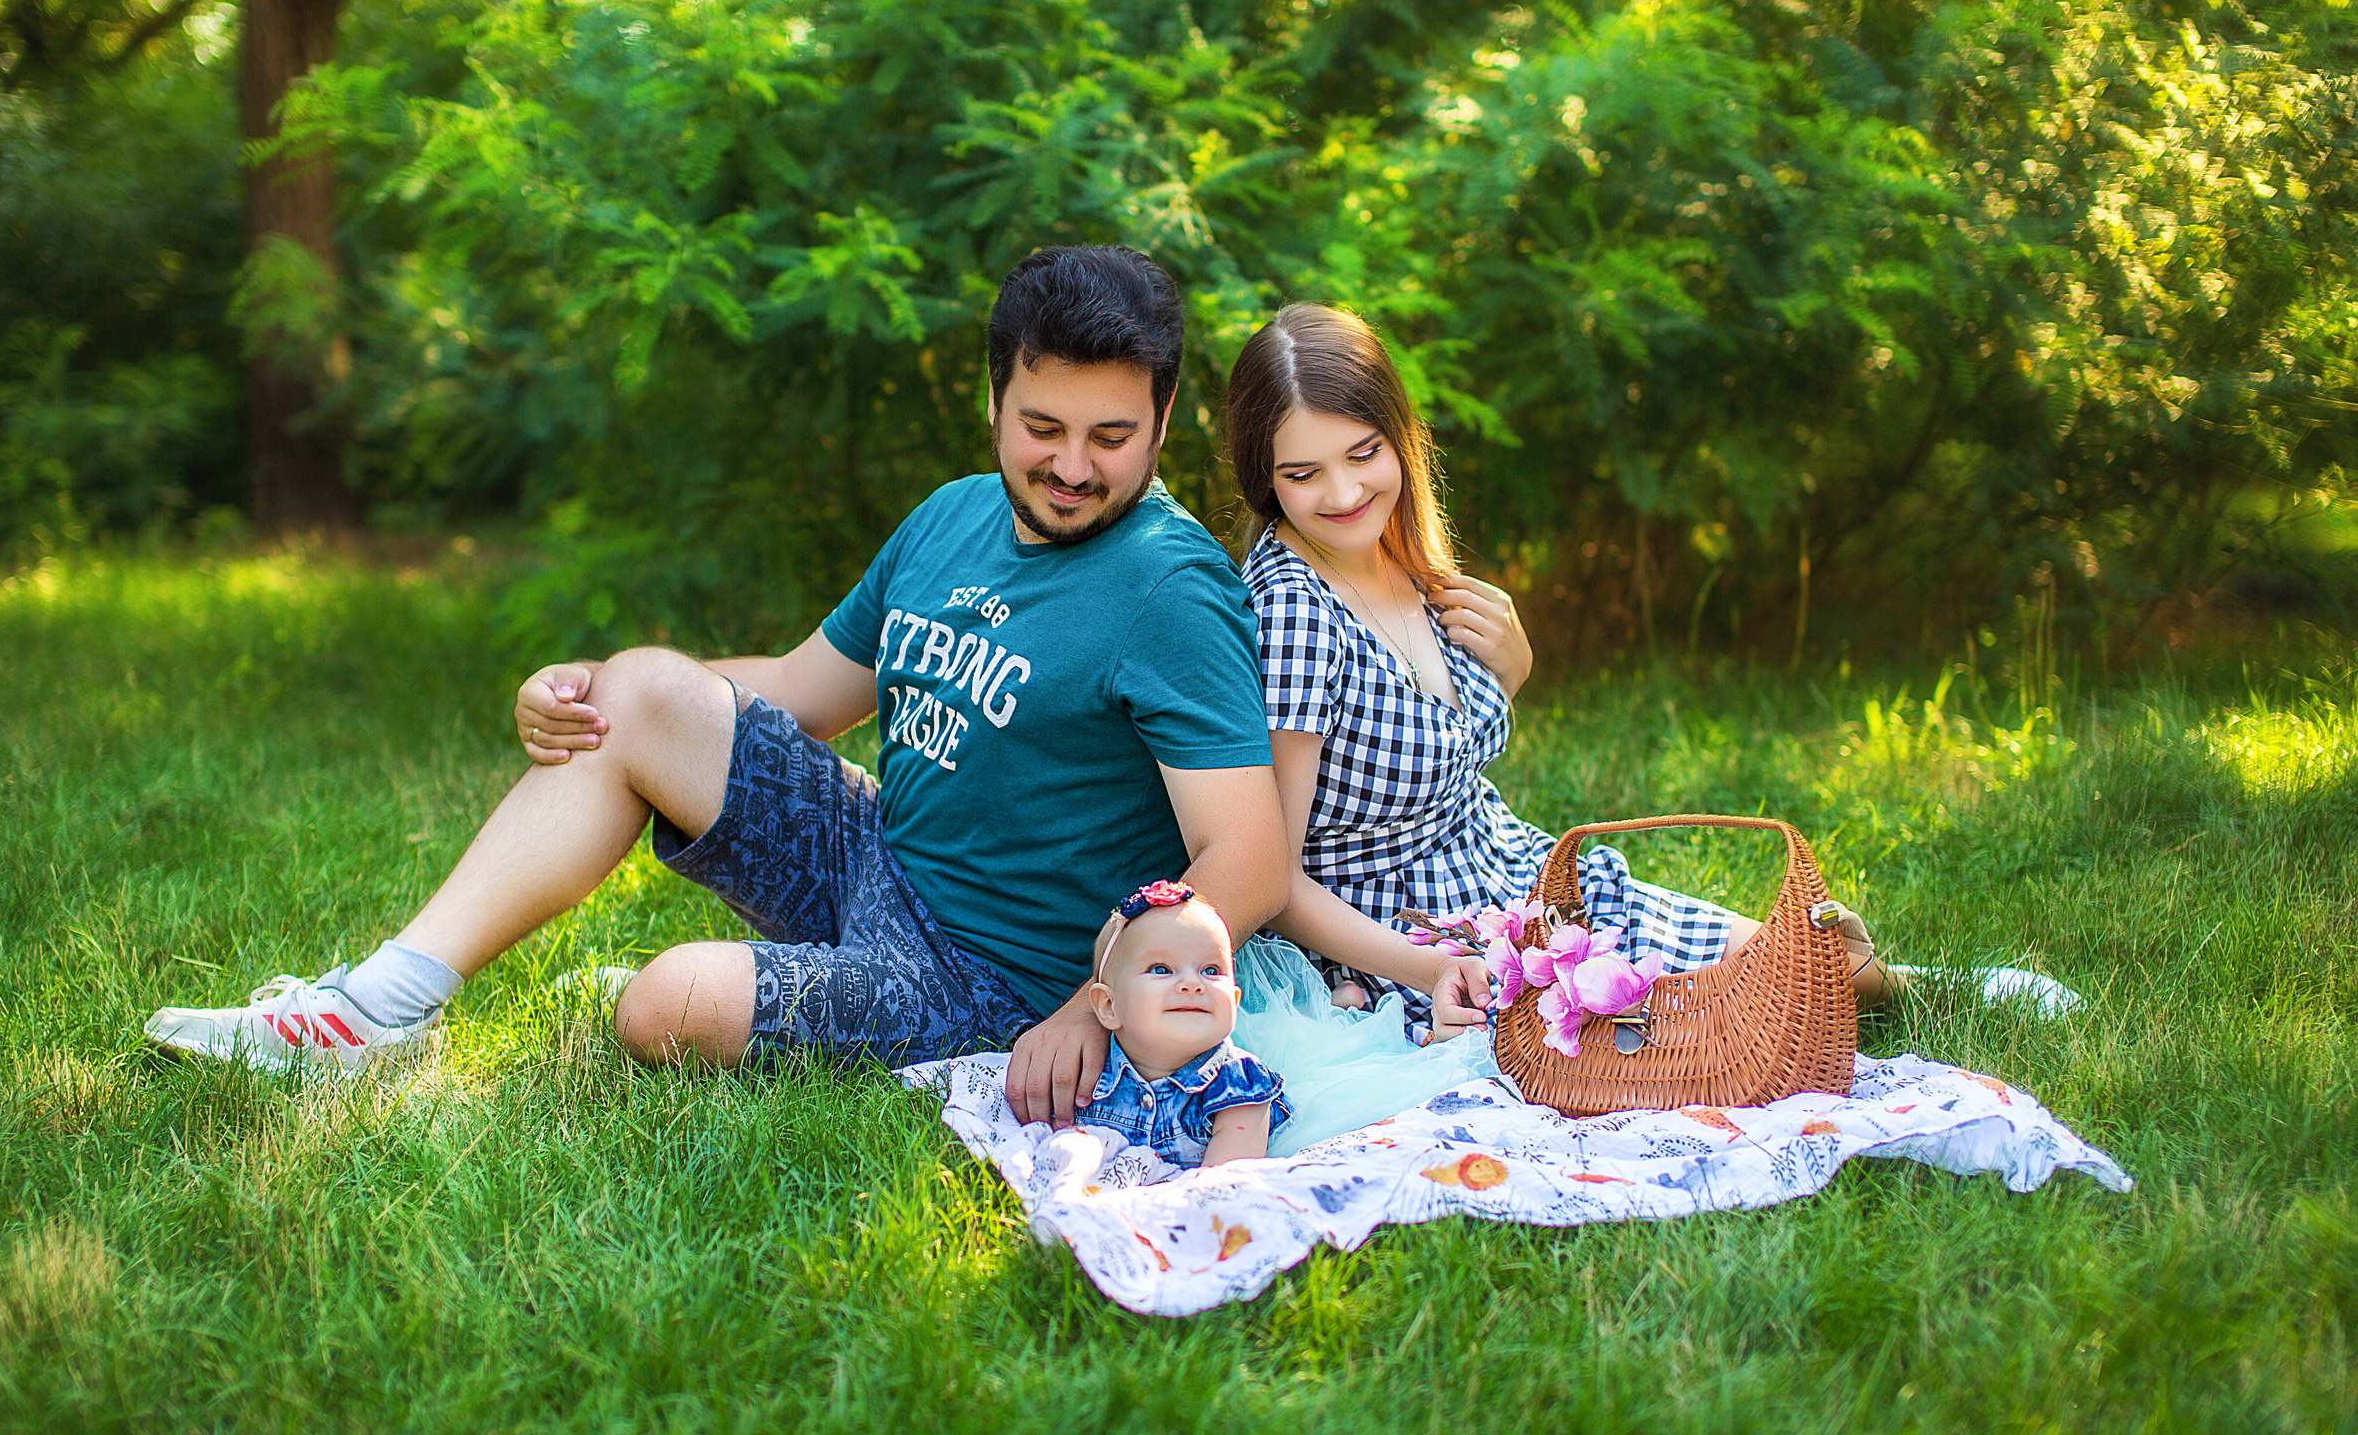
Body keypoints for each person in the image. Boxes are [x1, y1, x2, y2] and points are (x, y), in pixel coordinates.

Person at [143, 246, 1289, 1127]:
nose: (1074, 466)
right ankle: (382, 1005)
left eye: (1111, 436)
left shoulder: (1166, 589)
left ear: (1163, 421)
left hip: (996, 974)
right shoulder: (952, 515)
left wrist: (1091, 1007)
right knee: (641, 688)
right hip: (882, 852)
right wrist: (587, 690)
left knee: (662, 1007)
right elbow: (800, 691)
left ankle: (765, 987)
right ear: (991, 399)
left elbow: (1246, 855)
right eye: (1043, 427)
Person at [1219, 302, 1900, 1044]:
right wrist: (1428, 968)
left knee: (1826, 963)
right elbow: (1275, 879)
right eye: (1303, 472)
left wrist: (1513, 668)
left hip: (1515, 878)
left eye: (1363, 453)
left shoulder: (1399, 557)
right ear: (1266, 479)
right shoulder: (1294, 611)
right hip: (1405, 938)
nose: (1345, 493)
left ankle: (1940, 985)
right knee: (1752, 1010)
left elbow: (1420, 748)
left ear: (1400, 440)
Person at [1072, 880, 1289, 1168]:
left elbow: (1223, 1185)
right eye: (1161, 969)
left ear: (1234, 1001)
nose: (1192, 984)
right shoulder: (1085, 1070)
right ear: (1109, 1006)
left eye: (1211, 970)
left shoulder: (1238, 1086)